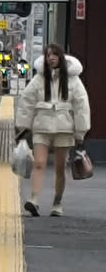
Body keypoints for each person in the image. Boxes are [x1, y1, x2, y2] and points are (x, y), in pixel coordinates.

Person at [17, 42, 90, 217]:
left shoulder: (73, 80)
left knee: (59, 168)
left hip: (64, 129)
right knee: (39, 163)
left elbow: (81, 105)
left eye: (55, 55)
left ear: (61, 58)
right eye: (48, 55)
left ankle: (57, 203)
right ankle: (33, 199)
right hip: (41, 127)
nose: (51, 58)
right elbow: (27, 101)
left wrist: (81, 131)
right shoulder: (39, 78)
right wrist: (23, 126)